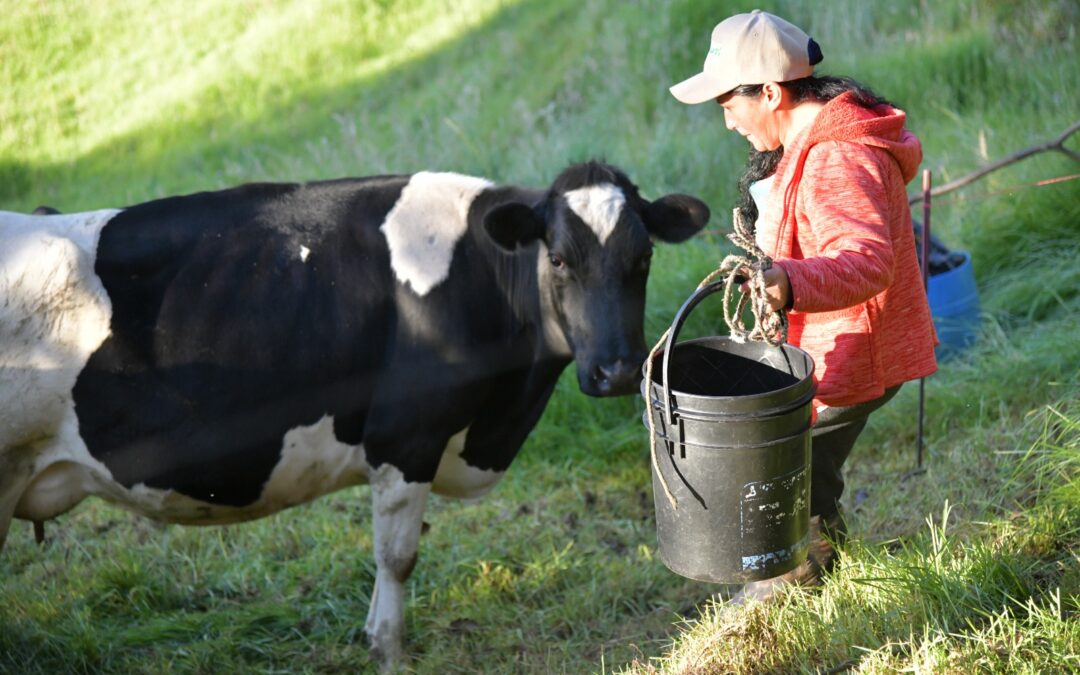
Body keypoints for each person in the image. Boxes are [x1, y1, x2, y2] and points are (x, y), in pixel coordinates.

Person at [669, 9, 938, 602]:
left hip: (851, 354)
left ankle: (772, 605)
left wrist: (785, 280)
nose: (727, 122)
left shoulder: (836, 157)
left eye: (726, 105)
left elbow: (869, 261)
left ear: (770, 92)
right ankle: (828, 590)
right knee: (808, 479)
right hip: (827, 349)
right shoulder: (805, 147)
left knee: (782, 477)